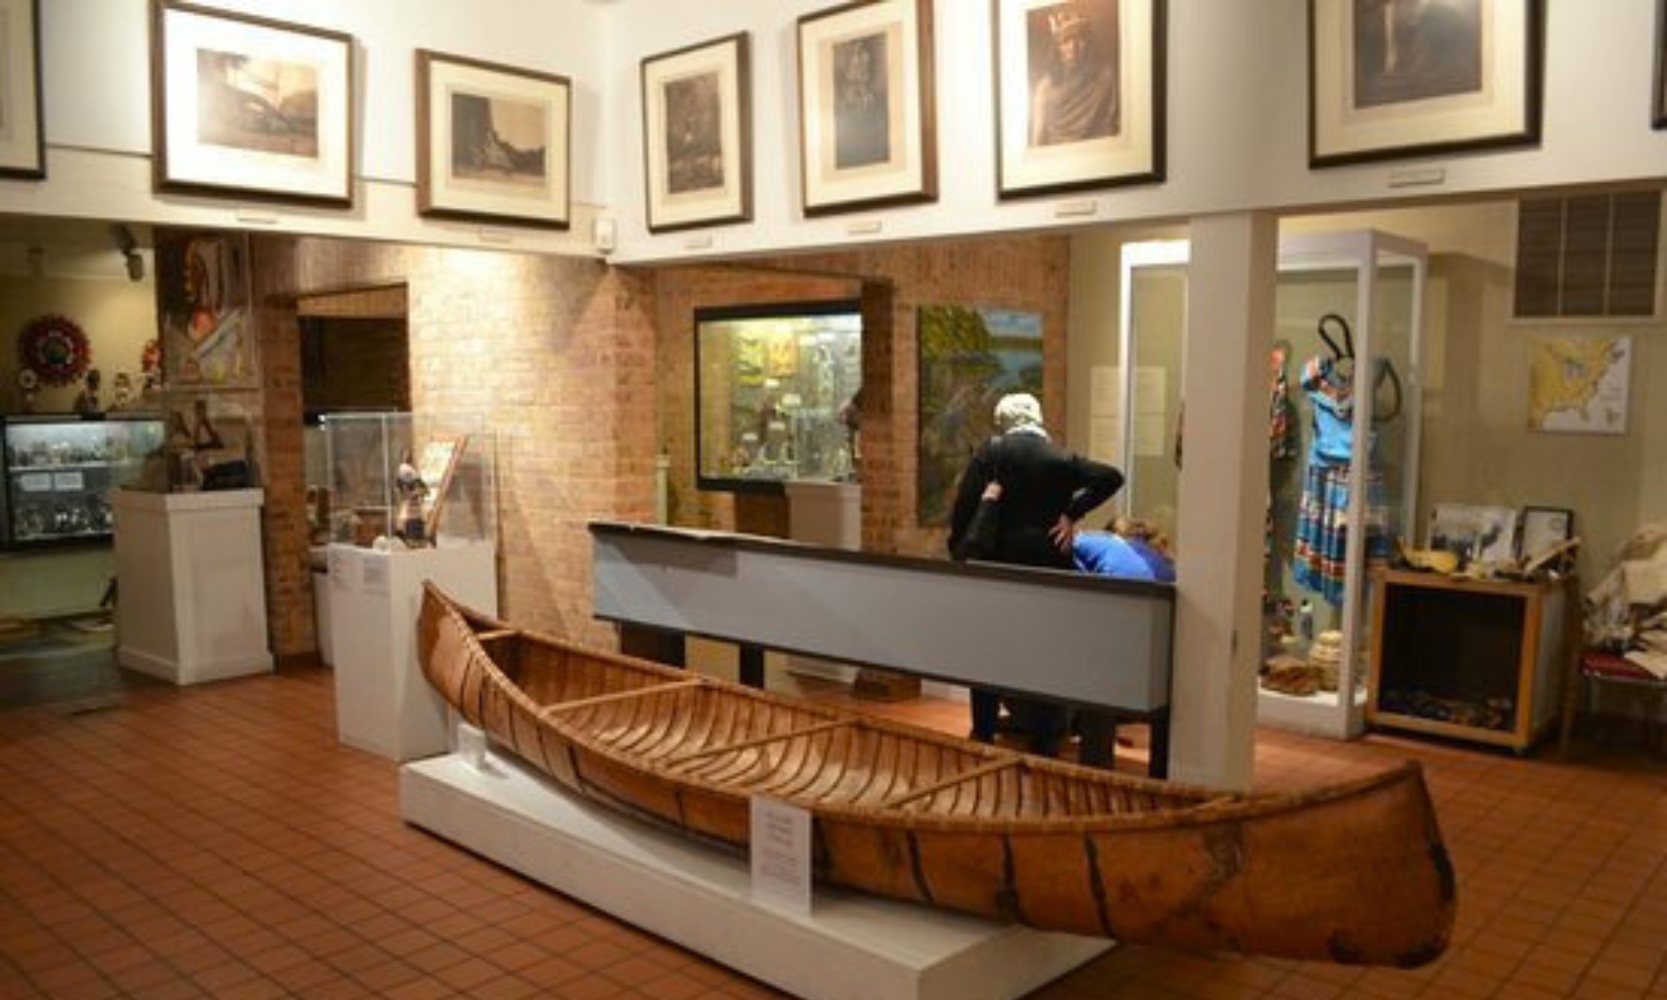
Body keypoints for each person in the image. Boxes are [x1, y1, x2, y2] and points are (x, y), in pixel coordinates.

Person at [947, 392, 1123, 755]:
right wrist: (1073, 513)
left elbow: (964, 509)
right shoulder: (1060, 457)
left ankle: (983, 730)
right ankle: (1046, 737)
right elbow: (1111, 477)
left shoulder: (992, 453)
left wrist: (962, 547)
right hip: (1048, 565)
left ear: (1004, 420)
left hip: (999, 565)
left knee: (989, 650)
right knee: (1047, 651)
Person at [1029, 5, 1119, 148]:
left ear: (1088, 44)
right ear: (1057, 48)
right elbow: (1037, 141)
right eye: (1066, 41)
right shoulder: (1044, 88)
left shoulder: (1105, 77)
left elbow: (1111, 127)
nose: (1073, 48)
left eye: (1080, 39)